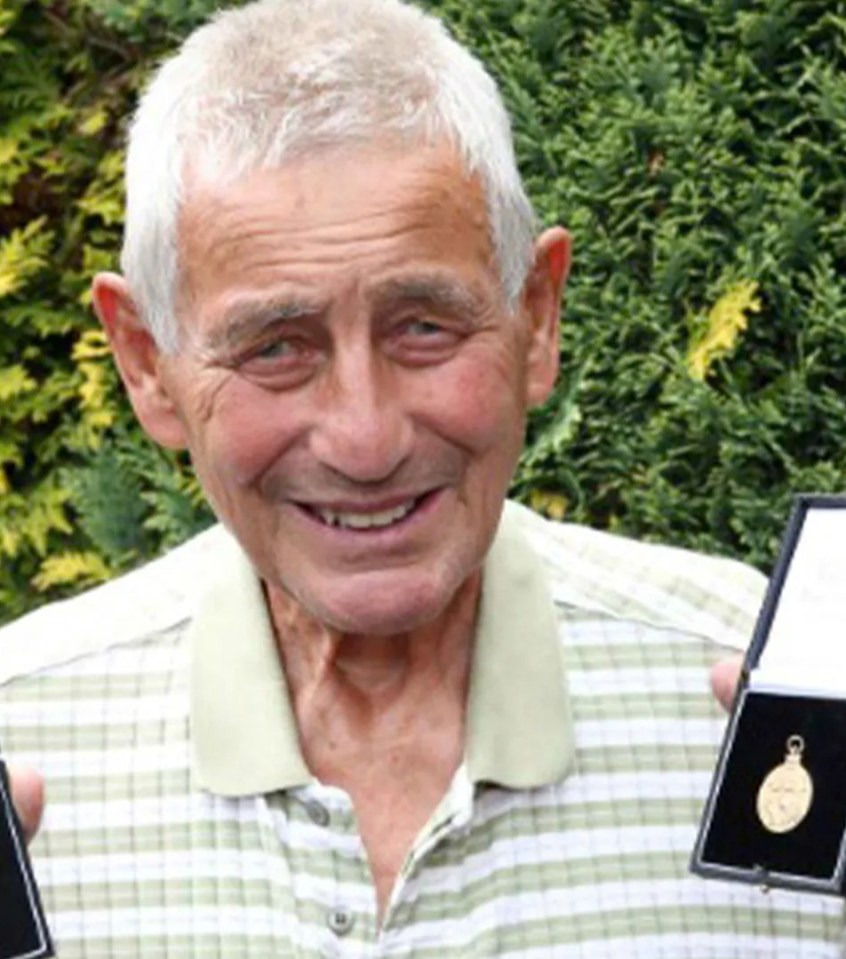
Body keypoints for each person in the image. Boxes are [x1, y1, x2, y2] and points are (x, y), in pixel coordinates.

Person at [0, 0, 839, 954]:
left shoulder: (778, 710)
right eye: (276, 346)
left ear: (538, 316)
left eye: (425, 327)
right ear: (148, 364)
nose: (365, 438)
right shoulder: (20, 731)